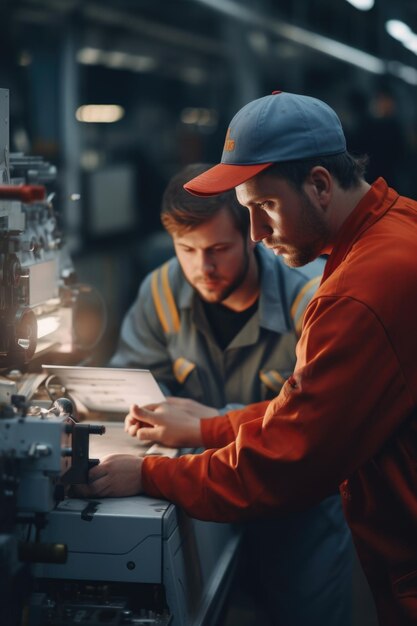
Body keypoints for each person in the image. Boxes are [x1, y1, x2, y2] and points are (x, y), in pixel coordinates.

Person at [76, 91, 417, 626]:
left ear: (321, 185)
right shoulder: (397, 231)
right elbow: (310, 412)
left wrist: (151, 476)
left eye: (265, 208)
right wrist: (212, 430)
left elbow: (291, 457)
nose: (257, 234)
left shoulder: (356, 294)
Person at [109, 163, 353, 626]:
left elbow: (314, 432)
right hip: (204, 503)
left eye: (219, 248)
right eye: (187, 249)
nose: (204, 267)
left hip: (296, 518)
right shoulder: (160, 292)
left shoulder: (314, 297)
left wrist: (205, 425)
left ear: (250, 235)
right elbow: (128, 386)